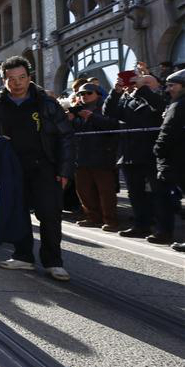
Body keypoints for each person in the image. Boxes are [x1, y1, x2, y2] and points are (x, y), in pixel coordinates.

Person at [0, 56, 74, 281]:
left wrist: (65, 170)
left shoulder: (47, 104)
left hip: (44, 166)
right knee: (17, 213)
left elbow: (65, 136)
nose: (17, 83)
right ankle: (23, 256)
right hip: (11, 169)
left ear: (29, 77)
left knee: (50, 214)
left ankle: (53, 261)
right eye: (11, 79)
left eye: (22, 77)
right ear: (4, 81)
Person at [103, 73, 167, 241]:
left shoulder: (160, 96)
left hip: (152, 153)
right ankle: (141, 225)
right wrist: (115, 92)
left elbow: (160, 107)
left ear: (156, 84)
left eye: (146, 82)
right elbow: (109, 113)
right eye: (137, 82)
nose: (138, 84)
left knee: (159, 193)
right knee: (135, 193)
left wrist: (142, 88)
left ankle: (163, 230)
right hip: (130, 152)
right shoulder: (128, 99)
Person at [69, 83, 119, 231]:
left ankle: (110, 220)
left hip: (102, 155)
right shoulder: (76, 110)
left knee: (105, 191)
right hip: (81, 156)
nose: (84, 96)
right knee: (84, 190)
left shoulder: (106, 106)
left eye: (88, 93)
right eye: (81, 94)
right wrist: (70, 120)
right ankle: (92, 217)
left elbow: (112, 125)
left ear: (98, 93)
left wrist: (91, 117)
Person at [154, 68, 185, 251]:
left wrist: (158, 149)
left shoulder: (179, 105)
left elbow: (168, 130)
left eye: (172, 85)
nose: (168, 89)